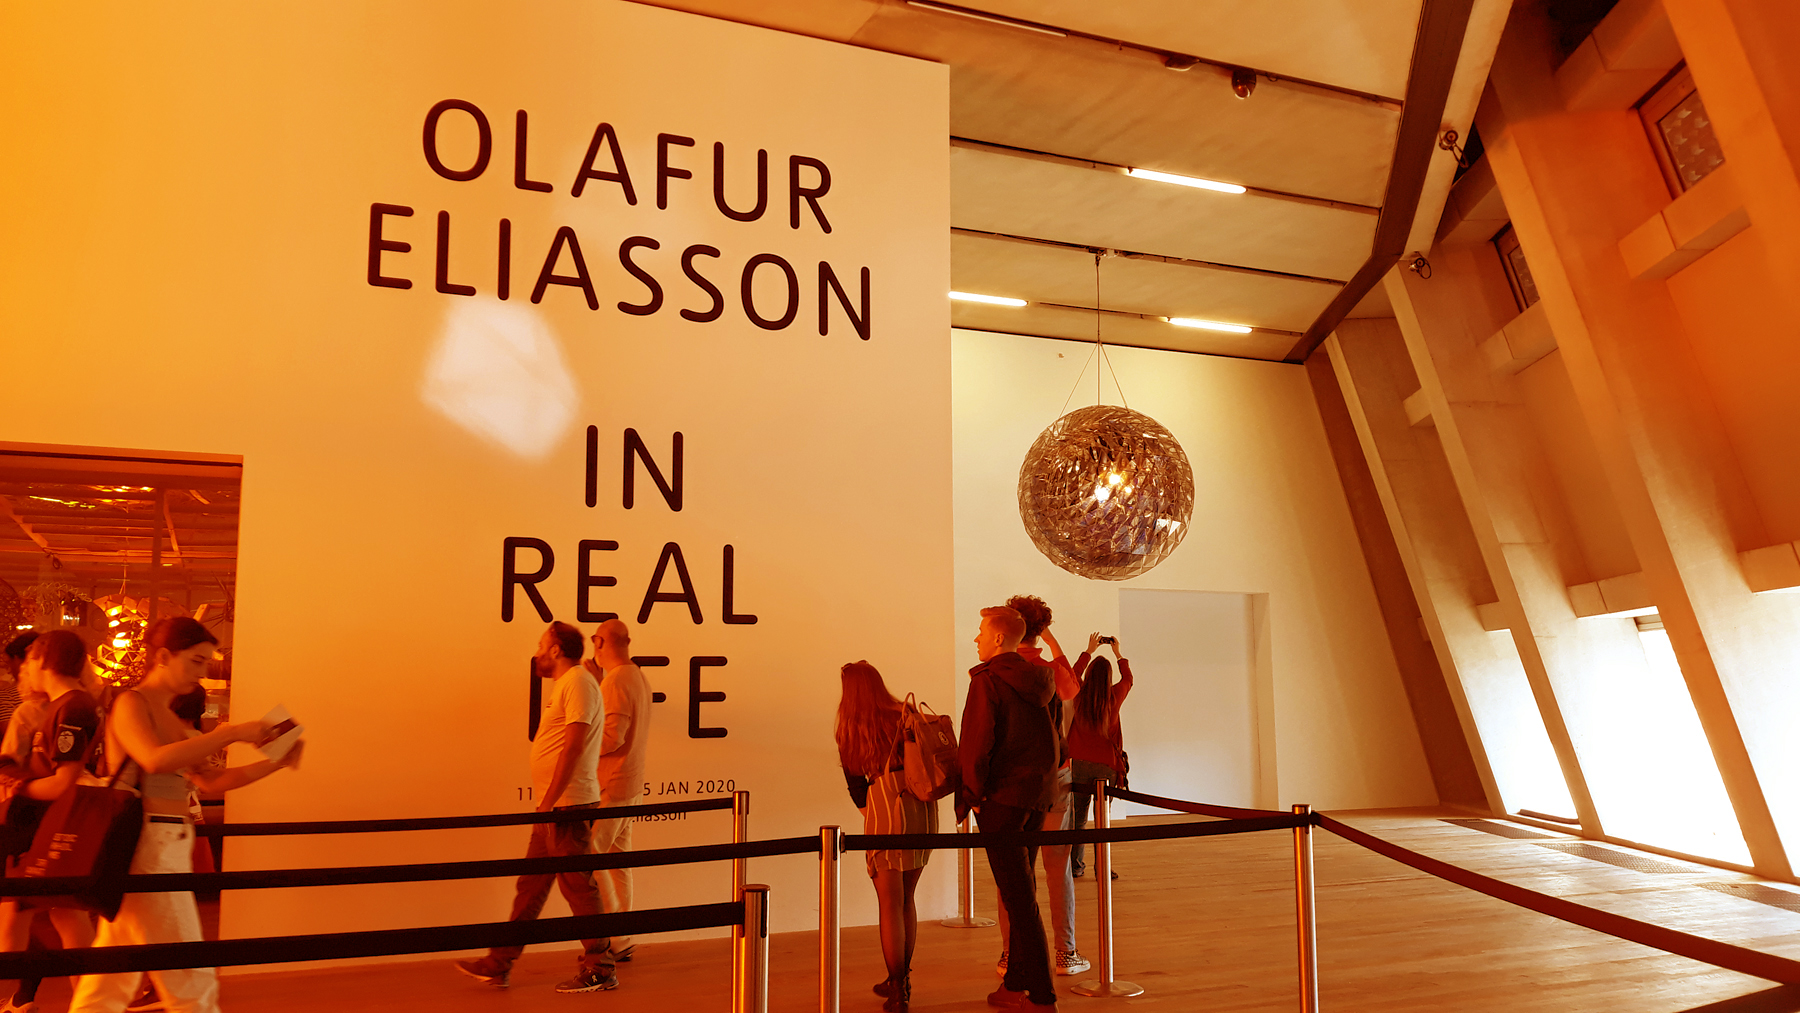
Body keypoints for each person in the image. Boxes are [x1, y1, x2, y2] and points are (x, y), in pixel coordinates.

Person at [69, 617, 299, 1013]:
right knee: (186, 968)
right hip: (148, 841)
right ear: (162, 656)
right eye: (196, 660)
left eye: (206, 662)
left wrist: (276, 762)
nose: (202, 671)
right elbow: (153, 759)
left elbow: (209, 780)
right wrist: (228, 734)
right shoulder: (132, 703)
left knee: (113, 969)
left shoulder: (169, 717)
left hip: (161, 841)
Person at [455, 622, 615, 994]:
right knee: (531, 887)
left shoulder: (577, 682)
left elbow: (573, 747)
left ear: (556, 649)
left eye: (542, 645)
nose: (537, 653)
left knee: (579, 888)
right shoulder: (568, 684)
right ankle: (499, 963)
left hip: (567, 806)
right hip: (555, 807)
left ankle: (601, 968)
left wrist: (548, 803)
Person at [958, 606, 1059, 1010]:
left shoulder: (987, 681)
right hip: (1036, 796)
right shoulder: (1043, 679)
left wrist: (972, 795)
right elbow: (1057, 740)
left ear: (999, 639)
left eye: (982, 632)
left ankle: (1042, 996)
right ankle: (1015, 983)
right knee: (1020, 892)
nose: (977, 638)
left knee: (1019, 900)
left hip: (1001, 799)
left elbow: (976, 743)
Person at [2, 631, 100, 1013]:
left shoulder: (72, 707)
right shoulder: (65, 704)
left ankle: (92, 1003)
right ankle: (92, 1004)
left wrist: (18, 785)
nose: (24, 669)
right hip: (47, 824)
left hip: (46, 825)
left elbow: (63, 781)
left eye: (29, 659)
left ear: (44, 660)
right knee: (64, 918)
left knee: (18, 923)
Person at [836, 661, 937, 1013]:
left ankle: (897, 989)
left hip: (885, 806)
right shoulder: (906, 712)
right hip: (922, 808)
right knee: (907, 898)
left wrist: (875, 810)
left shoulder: (851, 725)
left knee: (889, 903)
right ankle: (902, 979)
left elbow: (856, 785)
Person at [996, 596, 1088, 978]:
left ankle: (1010, 953)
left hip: (1012, 781)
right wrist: (1051, 641)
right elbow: (1073, 688)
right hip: (1055, 777)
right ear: (1040, 628)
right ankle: (1065, 953)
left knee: (1013, 871)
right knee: (1058, 867)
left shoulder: (998, 671)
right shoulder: (1050, 670)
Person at [584, 618, 650, 965]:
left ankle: (614, 938)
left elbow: (612, 737)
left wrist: (577, 745)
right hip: (631, 784)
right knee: (617, 864)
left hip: (612, 783)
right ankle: (622, 937)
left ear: (599, 642)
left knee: (593, 861)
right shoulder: (637, 676)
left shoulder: (617, 681)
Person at [1069, 639, 1134, 879]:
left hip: (1079, 763)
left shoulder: (1079, 694)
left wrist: (1088, 651)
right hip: (1106, 766)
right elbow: (1128, 679)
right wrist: (1118, 653)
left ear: (1089, 674)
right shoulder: (1115, 696)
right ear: (1108, 678)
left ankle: (1076, 866)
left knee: (1078, 819)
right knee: (1102, 821)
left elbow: (1072, 674)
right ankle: (1102, 869)